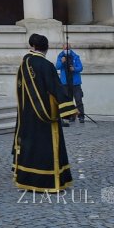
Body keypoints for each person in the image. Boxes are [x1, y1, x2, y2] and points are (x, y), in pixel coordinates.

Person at [13, 33, 76, 193]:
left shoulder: (23, 64)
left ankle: (26, 179)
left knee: (30, 146)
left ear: (32, 46)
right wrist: (69, 109)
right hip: (46, 116)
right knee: (47, 147)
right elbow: (56, 88)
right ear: (46, 48)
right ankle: (47, 182)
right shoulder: (46, 65)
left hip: (27, 115)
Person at [55, 42, 85, 125]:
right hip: (65, 82)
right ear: (63, 49)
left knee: (78, 100)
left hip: (75, 82)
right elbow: (57, 66)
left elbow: (81, 67)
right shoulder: (60, 56)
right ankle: (71, 116)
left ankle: (81, 116)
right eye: (65, 49)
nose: (66, 50)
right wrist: (61, 62)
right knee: (68, 100)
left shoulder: (75, 56)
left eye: (68, 48)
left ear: (70, 49)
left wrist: (74, 69)